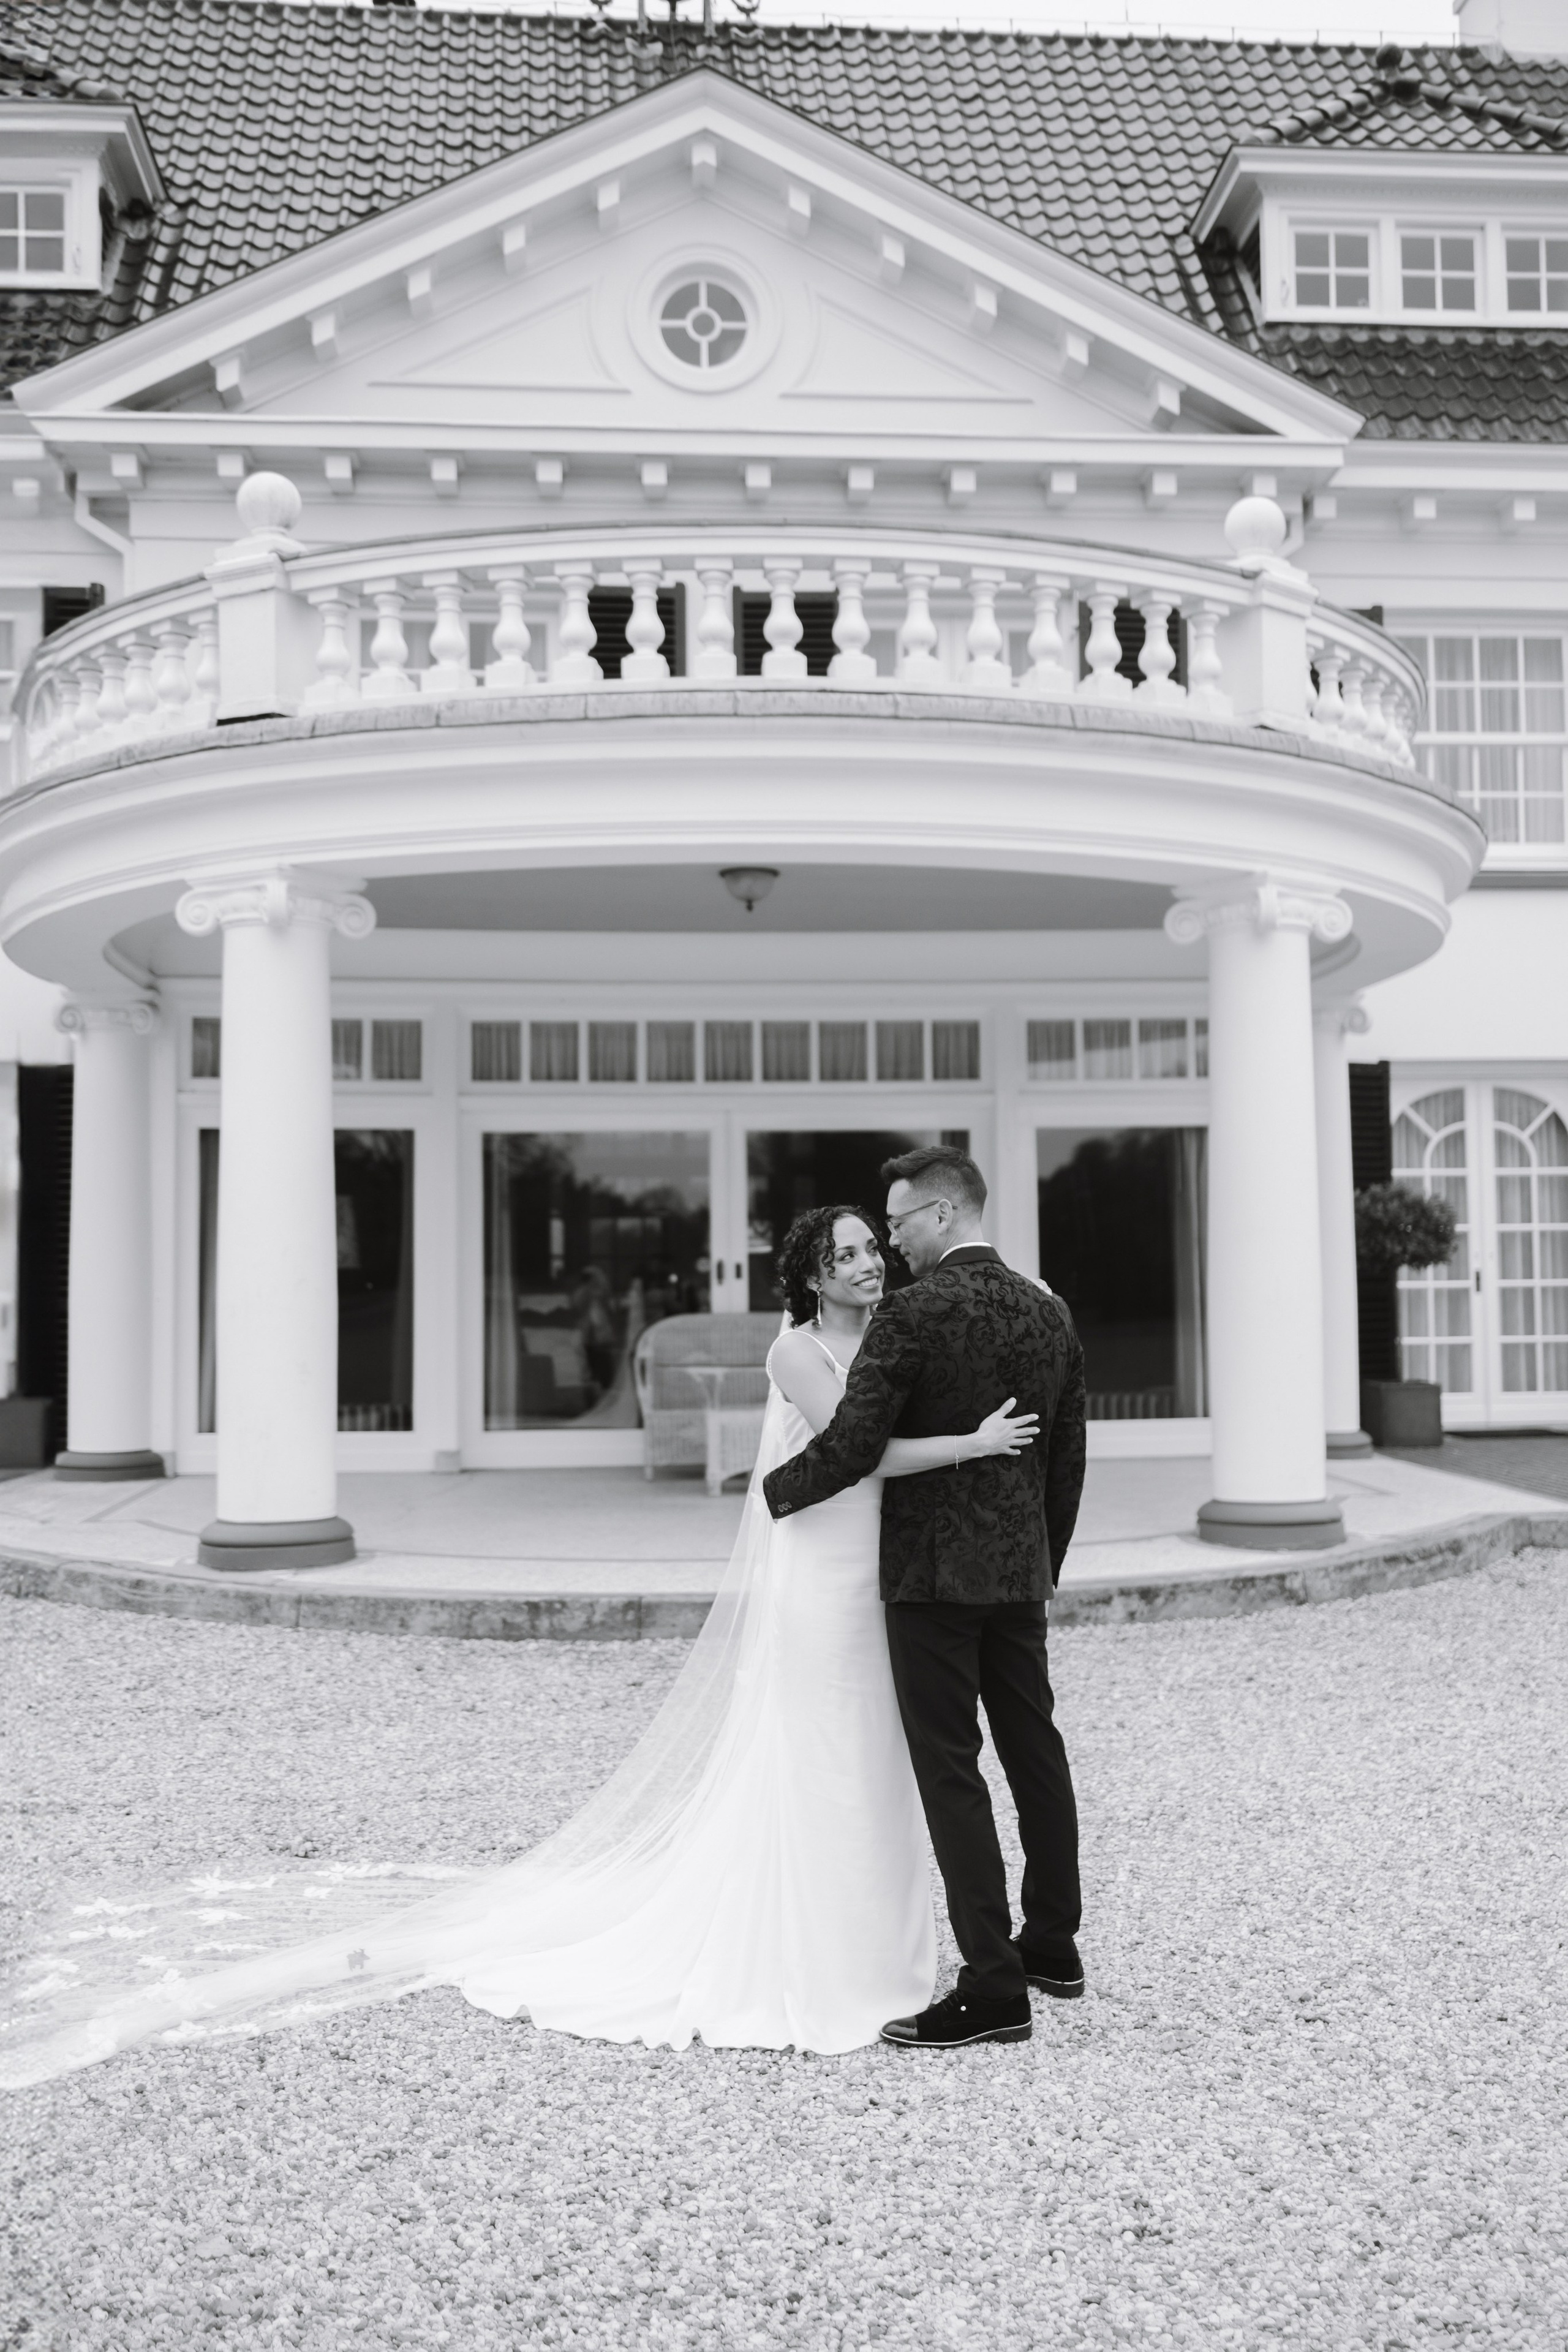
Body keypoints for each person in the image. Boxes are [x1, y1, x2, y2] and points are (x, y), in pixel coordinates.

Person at [0, 1206, 1038, 2085]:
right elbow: (856, 1458)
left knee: (884, 1766)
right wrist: (974, 1444)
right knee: (820, 1758)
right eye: (847, 1253)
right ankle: (810, 1955)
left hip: (886, 1578)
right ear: (813, 1275)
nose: (867, 1263)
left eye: (871, 1247)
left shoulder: (899, 1332)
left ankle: (891, 1961)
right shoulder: (796, 1351)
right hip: (823, 1571)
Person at [764, 1144, 1087, 2052]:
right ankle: (1053, 1947)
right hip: (1017, 1575)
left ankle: (993, 1987)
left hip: (932, 1580)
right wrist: (1039, 1563)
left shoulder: (911, 1314)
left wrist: (775, 1495)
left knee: (951, 1774)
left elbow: (853, 1446)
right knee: (1035, 1752)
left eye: (898, 1222)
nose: (891, 1241)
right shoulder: (1049, 1310)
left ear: (942, 1214)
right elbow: (1067, 1458)